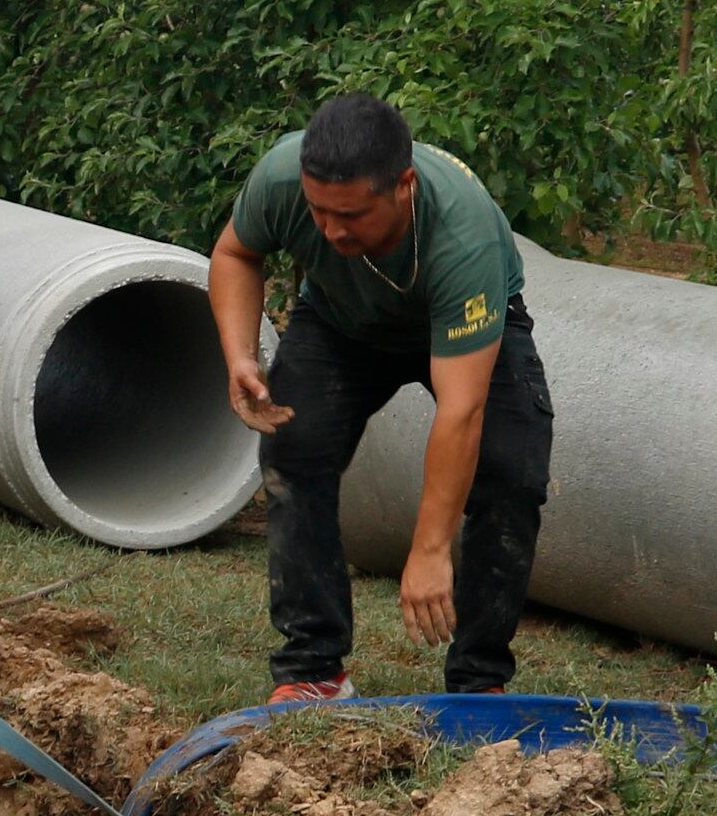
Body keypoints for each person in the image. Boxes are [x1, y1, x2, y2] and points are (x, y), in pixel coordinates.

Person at [209, 92, 555, 703]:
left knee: (511, 474)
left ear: (405, 186)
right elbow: (237, 253)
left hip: (457, 323)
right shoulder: (284, 176)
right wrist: (241, 355)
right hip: (340, 322)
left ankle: (478, 683)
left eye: (353, 214)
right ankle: (314, 670)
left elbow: (461, 410)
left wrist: (428, 550)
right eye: (319, 212)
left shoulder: (462, 239)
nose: (332, 229)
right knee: (295, 450)